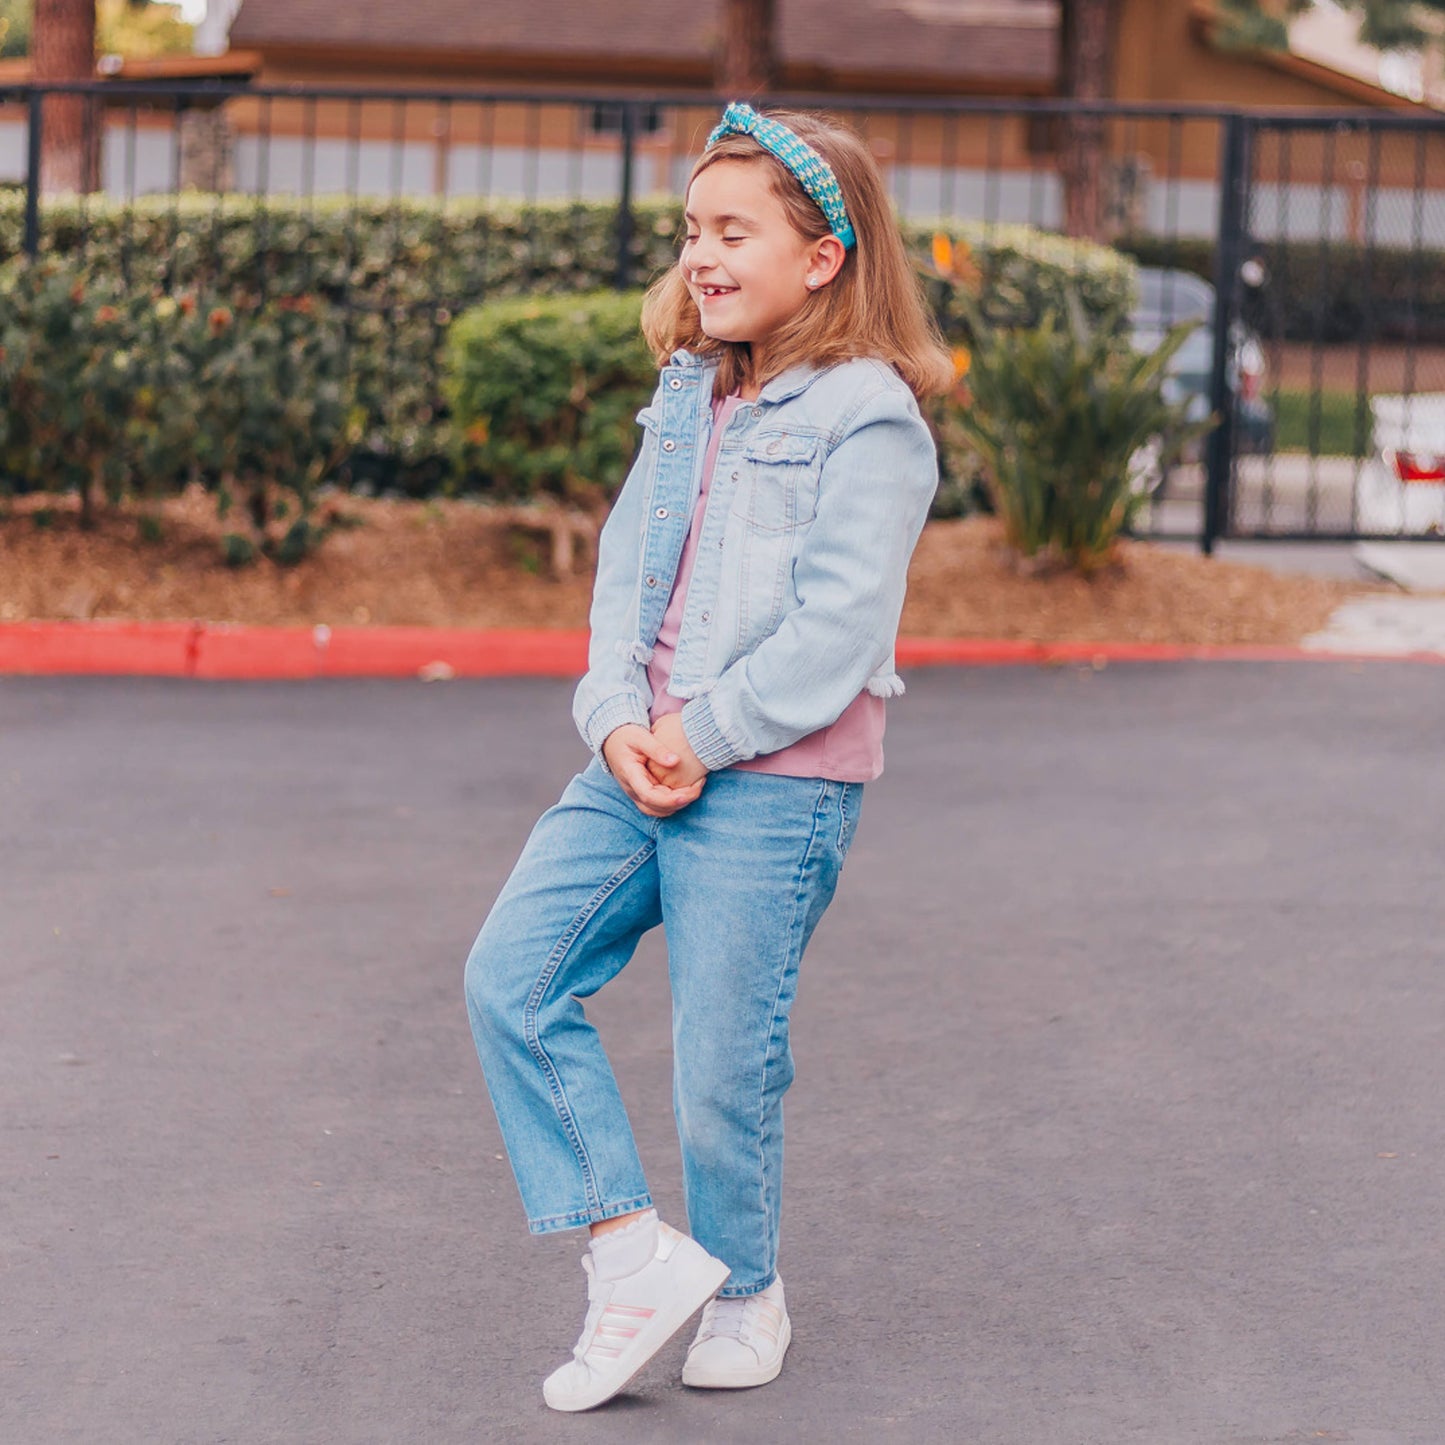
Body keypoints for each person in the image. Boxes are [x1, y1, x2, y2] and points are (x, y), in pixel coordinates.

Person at [464, 101, 953, 1414]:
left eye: (733, 232)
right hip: (636, 761)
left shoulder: (870, 420)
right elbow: (629, 569)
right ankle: (630, 1248)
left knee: (720, 1059)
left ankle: (744, 1290)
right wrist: (614, 716)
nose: (701, 255)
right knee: (509, 976)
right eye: (691, 231)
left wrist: (700, 731)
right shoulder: (689, 391)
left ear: (825, 254)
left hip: (774, 779)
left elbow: (835, 633)